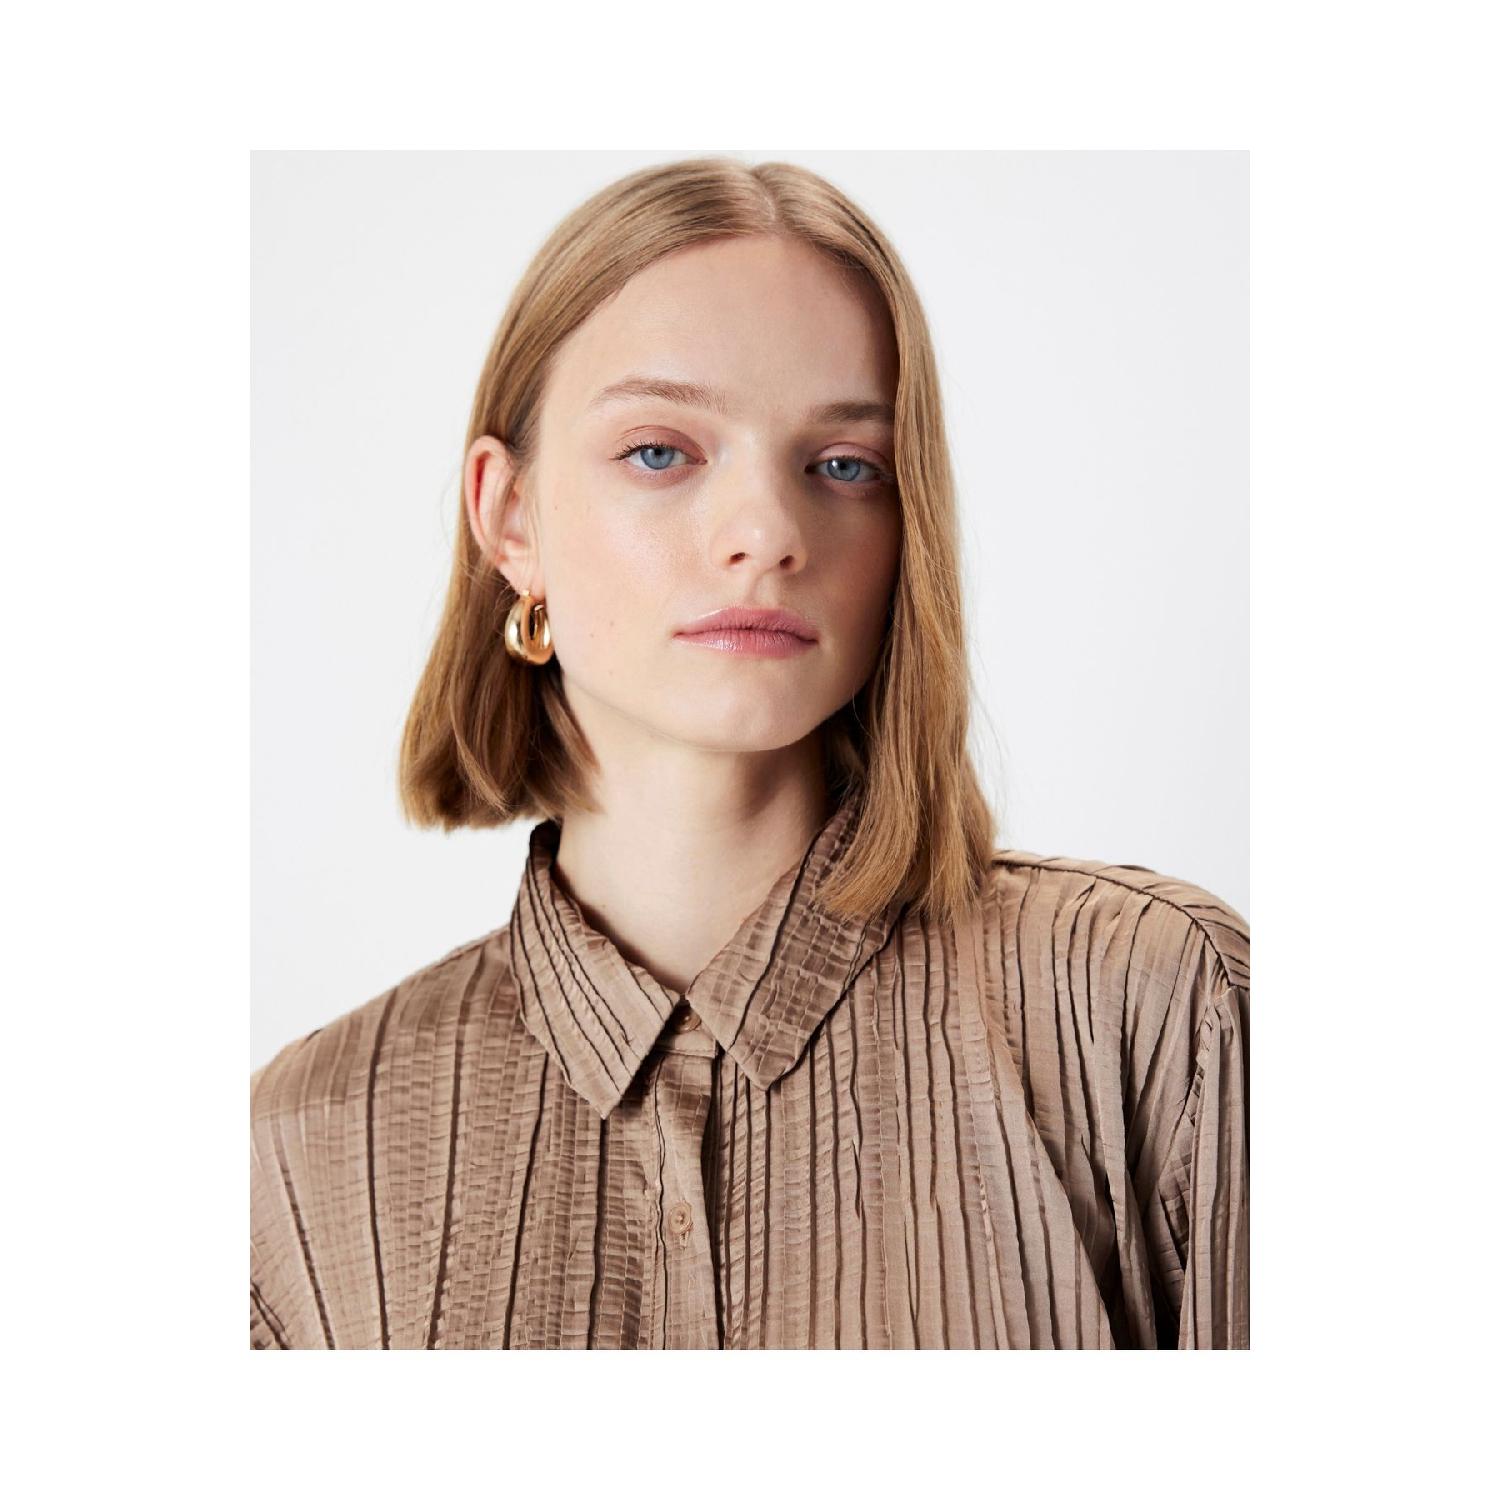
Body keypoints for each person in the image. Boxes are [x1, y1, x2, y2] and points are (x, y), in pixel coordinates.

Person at [250, 156, 1249, 1350]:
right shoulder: (297, 1156)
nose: (769, 533)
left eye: (845, 466)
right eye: (660, 452)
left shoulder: (1160, 1012)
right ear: (509, 518)